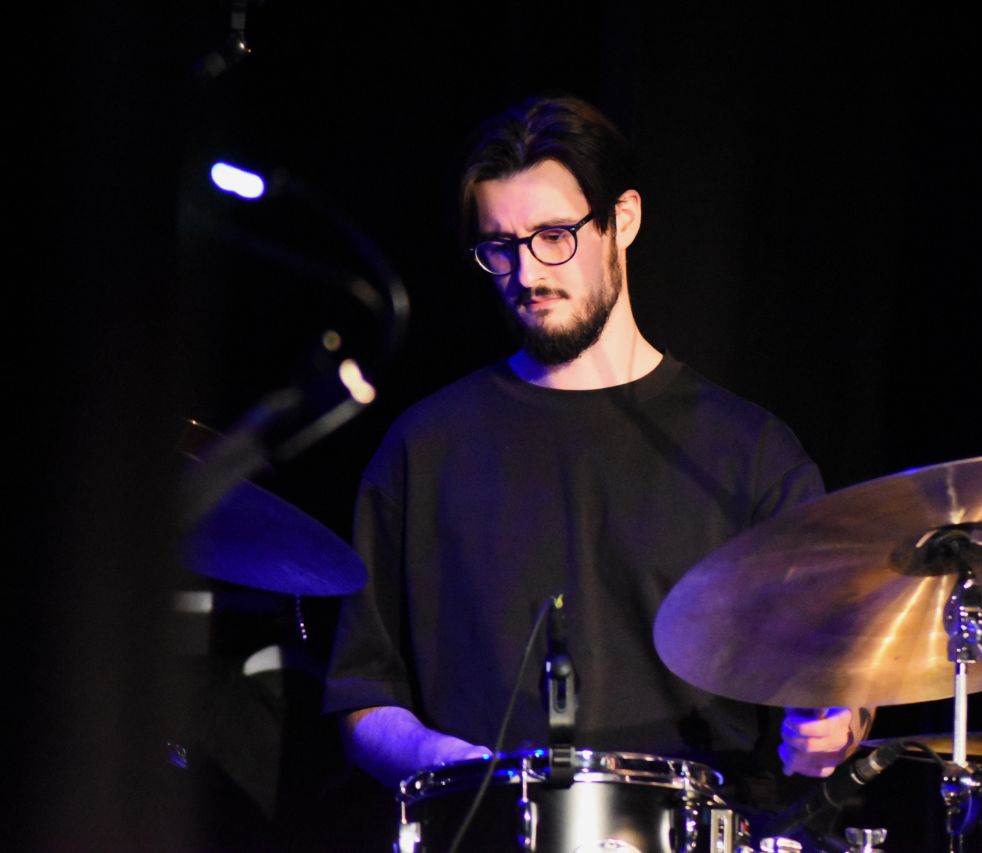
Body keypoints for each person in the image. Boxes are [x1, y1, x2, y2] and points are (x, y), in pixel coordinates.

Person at [321, 96, 871, 803]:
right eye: (499, 247)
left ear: (624, 219)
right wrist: (451, 766)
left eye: (554, 235)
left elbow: (845, 674)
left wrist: (837, 721)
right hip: (493, 827)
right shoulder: (424, 448)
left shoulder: (750, 452)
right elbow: (362, 698)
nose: (527, 275)